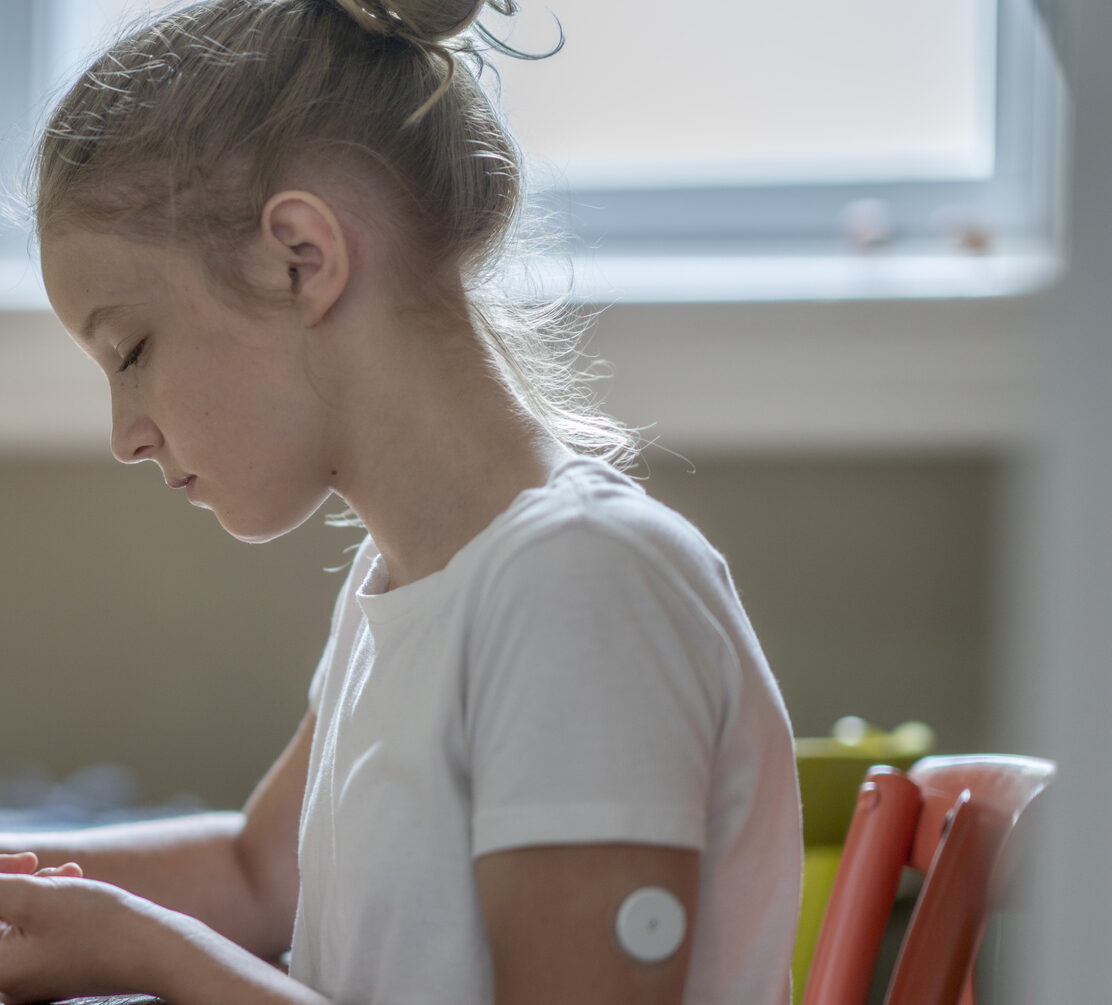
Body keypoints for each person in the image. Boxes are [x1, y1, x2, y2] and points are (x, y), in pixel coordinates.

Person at [0, 1, 802, 1002]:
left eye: (132, 353)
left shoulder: (582, 584)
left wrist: (145, 951)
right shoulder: (412, 580)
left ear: (302, 258)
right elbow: (255, 877)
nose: (126, 435)